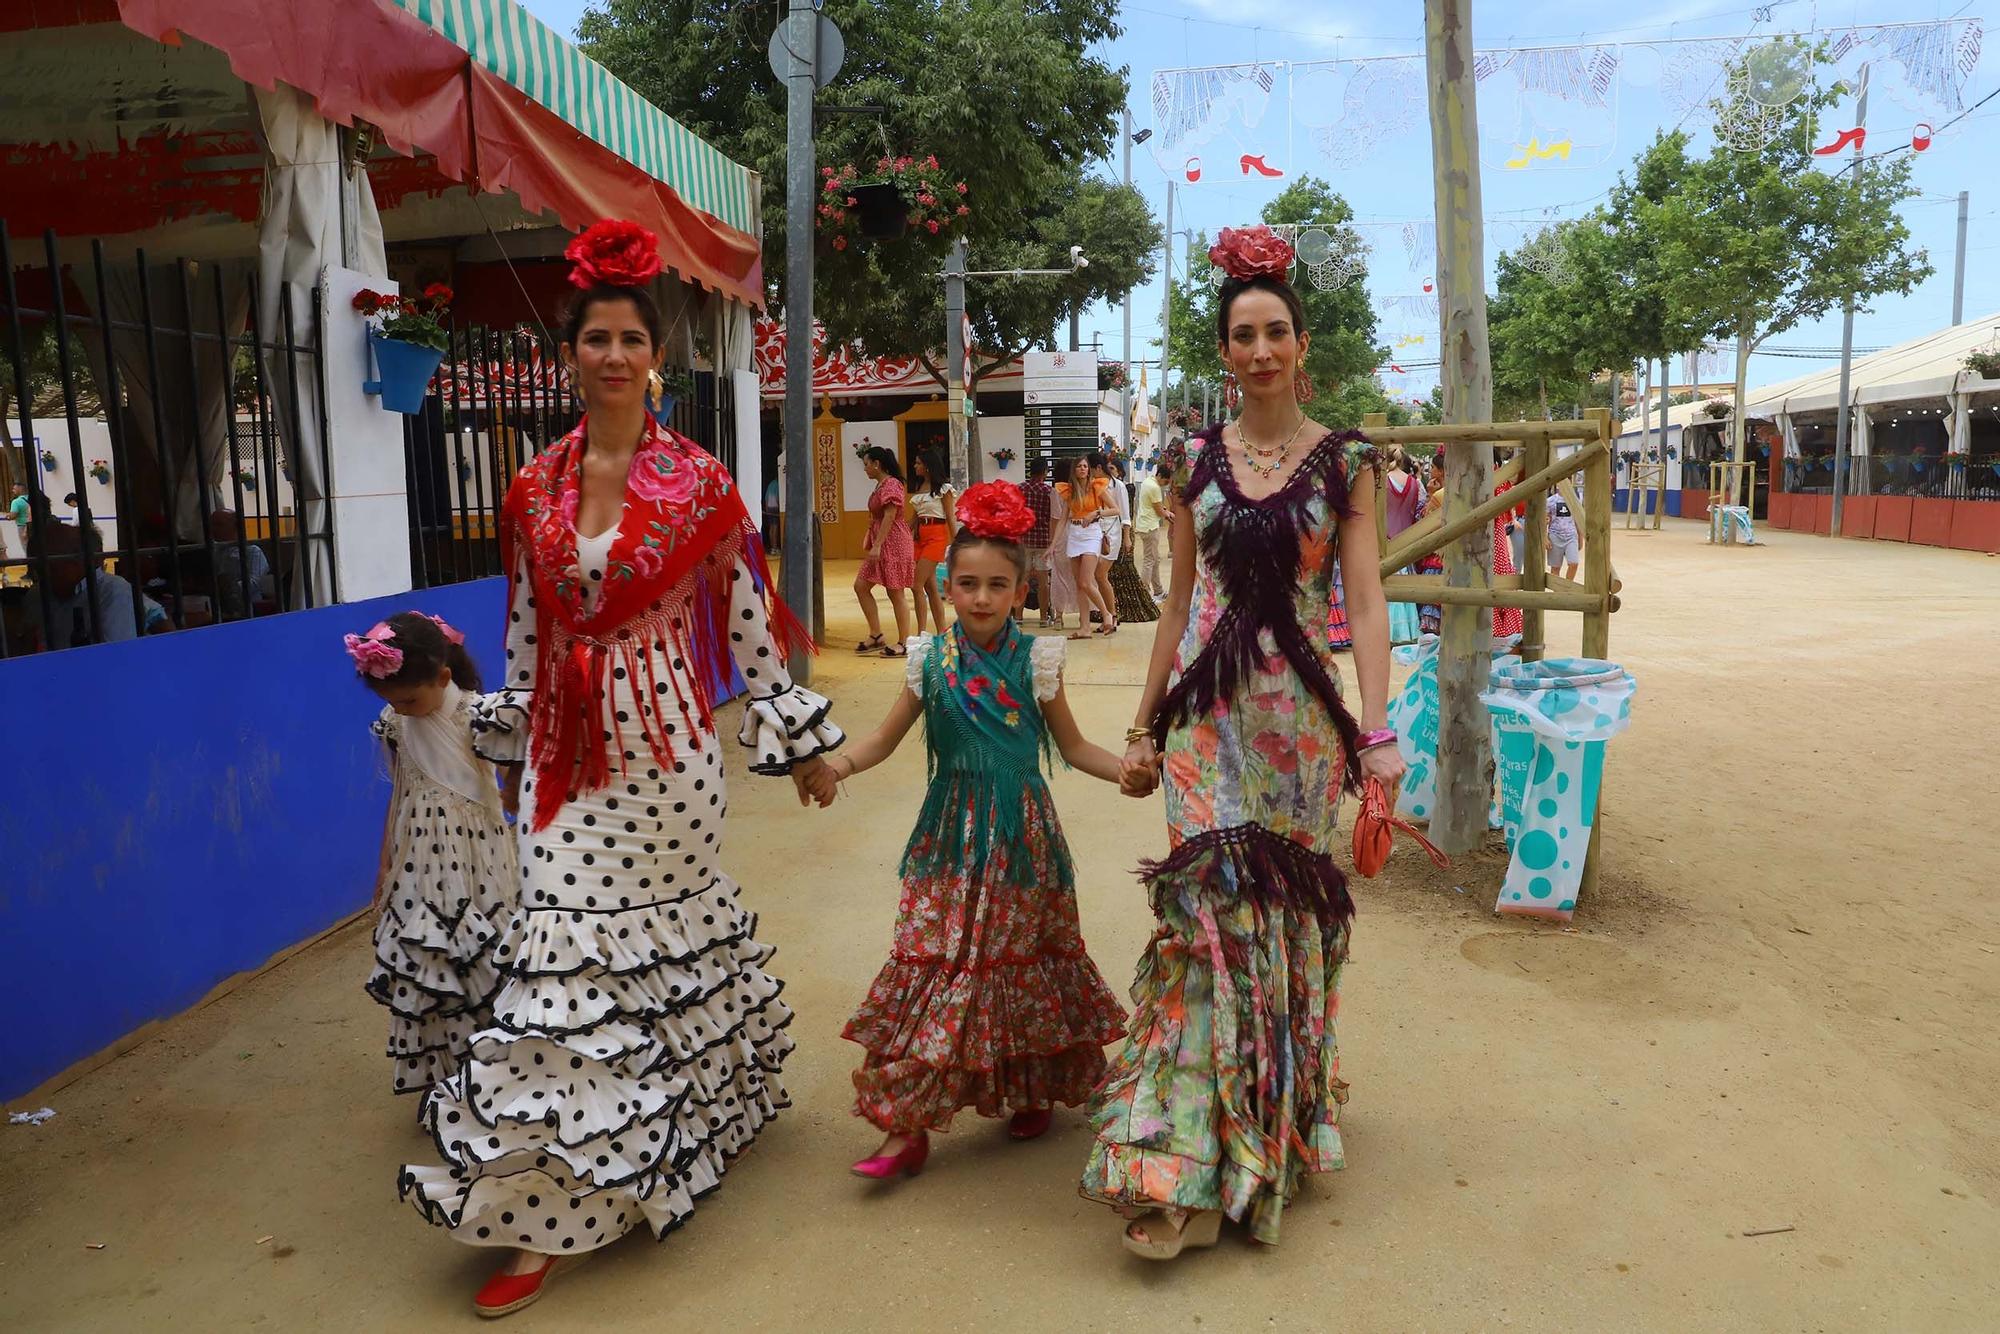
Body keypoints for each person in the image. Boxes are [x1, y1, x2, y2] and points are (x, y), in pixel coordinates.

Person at [397, 219, 843, 1318]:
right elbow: (524, 630)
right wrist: (508, 742)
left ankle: (683, 1129)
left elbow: (741, 619)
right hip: (563, 753)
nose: (611, 354)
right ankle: (543, 1206)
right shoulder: (532, 484)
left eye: (629, 338)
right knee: (554, 957)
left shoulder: (698, 480)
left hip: (668, 753)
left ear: (656, 356)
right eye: (593, 336)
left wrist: (795, 740)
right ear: (571, 353)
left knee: (667, 941)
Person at [1084, 225, 1406, 1259]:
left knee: (1283, 921)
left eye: (1275, 330)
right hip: (1207, 726)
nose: (1259, 348)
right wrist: (1142, 724)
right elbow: (1178, 603)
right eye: (1241, 334)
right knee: (1206, 920)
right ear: (1222, 351)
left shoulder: (1346, 459)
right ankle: (1174, 1160)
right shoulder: (1189, 459)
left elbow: (1361, 598)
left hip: (1304, 734)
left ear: (1300, 344)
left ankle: (1278, 1110)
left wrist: (1375, 731)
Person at [808, 481, 1128, 1179]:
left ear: (1021, 594)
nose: (981, 598)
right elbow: (884, 741)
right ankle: (906, 1128)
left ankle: (1033, 1088)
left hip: (1024, 843)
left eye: (997, 586)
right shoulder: (928, 659)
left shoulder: (1039, 661)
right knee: (940, 961)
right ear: (947, 588)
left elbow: (1074, 748)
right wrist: (835, 767)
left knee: (1023, 962)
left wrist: (1128, 771)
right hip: (948, 839)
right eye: (967, 584)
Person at [349, 611, 516, 1096]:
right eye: (392, 702)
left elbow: (512, 791)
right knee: (431, 960)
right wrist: (384, 862)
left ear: (444, 677)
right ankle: (449, 1079)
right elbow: (399, 794)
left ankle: (499, 1072)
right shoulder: (395, 724)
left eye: (408, 699)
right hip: (418, 863)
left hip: (479, 862)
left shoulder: (479, 716)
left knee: (484, 953)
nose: (400, 709)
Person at [40, 522, 168, 649]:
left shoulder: (114, 592)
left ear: (78, 560)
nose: (41, 572)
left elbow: (111, 657)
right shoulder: (38, 596)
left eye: (50, 564)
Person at [854, 446, 915, 658]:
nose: (865, 469)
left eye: (866, 464)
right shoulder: (882, 485)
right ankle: (876, 634)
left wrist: (878, 544)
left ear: (877, 464)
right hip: (882, 541)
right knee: (861, 586)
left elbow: (890, 515)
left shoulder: (892, 484)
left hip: (894, 542)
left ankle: (904, 642)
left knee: (895, 591)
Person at [1051, 455, 1117, 640]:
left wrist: (1096, 513)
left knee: (1086, 581)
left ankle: (1106, 615)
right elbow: (1063, 518)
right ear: (1074, 470)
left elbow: (1115, 509)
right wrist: (1053, 544)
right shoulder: (1069, 490)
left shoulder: (1097, 487)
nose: (1082, 469)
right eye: (1079, 466)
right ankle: (1085, 628)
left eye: (1085, 466)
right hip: (1074, 532)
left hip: (1091, 533)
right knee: (1080, 585)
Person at [1102, 459, 1159, 626]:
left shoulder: (1125, 487)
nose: (1109, 471)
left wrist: (1126, 536)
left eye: (1112, 468)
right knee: (1109, 573)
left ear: (1119, 471)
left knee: (1124, 568)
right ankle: (1111, 608)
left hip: (1122, 531)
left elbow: (1126, 514)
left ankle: (1131, 608)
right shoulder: (1102, 487)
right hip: (1108, 533)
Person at [906, 448, 956, 636]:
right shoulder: (920, 489)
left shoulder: (944, 489)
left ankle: (921, 632)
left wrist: (957, 543)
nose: (915, 466)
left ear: (927, 466)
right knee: (930, 586)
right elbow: (914, 518)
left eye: (918, 463)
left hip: (936, 536)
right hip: (919, 537)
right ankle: (941, 629)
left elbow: (951, 517)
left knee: (916, 585)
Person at [1381, 446, 1427, 645]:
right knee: (1404, 587)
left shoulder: (1382, 480)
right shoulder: (1415, 483)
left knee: (1385, 585)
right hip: (1406, 540)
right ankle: (1406, 632)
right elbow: (1418, 512)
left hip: (1384, 540)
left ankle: (1387, 632)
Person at [209, 509, 272, 619]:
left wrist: (229, 587)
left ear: (236, 527)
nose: (213, 529)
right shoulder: (213, 550)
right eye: (212, 524)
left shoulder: (252, 551)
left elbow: (254, 582)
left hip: (248, 609)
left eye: (219, 525)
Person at [1017, 456, 1058, 627]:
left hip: (1023, 540)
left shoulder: (1020, 489)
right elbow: (1052, 518)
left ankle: (1018, 617)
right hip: (1043, 541)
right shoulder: (1049, 492)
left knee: (1022, 579)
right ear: (1045, 472)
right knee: (1043, 581)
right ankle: (1043, 618)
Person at [1134, 464, 1170, 599]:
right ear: (1159, 476)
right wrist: (1168, 514)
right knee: (1149, 560)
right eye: (1165, 481)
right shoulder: (1154, 487)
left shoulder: (1147, 481)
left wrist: (1166, 511)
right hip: (1150, 527)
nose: (1165, 485)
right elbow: (1159, 510)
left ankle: (1158, 590)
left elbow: (1157, 506)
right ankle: (1143, 594)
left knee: (1155, 559)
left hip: (1145, 525)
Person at [1547, 485, 1580, 582]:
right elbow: (1544, 519)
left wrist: (1580, 537)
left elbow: (1578, 519)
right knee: (1555, 567)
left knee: (1574, 563)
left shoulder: (1574, 500)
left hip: (1571, 535)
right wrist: (1545, 538)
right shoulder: (1550, 501)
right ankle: (1557, 592)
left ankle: (1567, 587)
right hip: (1555, 536)